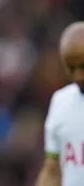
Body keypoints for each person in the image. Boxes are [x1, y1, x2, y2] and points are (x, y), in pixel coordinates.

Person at [35, 22, 84, 186]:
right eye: (71, 67)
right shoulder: (61, 101)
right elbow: (53, 170)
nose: (77, 76)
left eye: (83, 67)